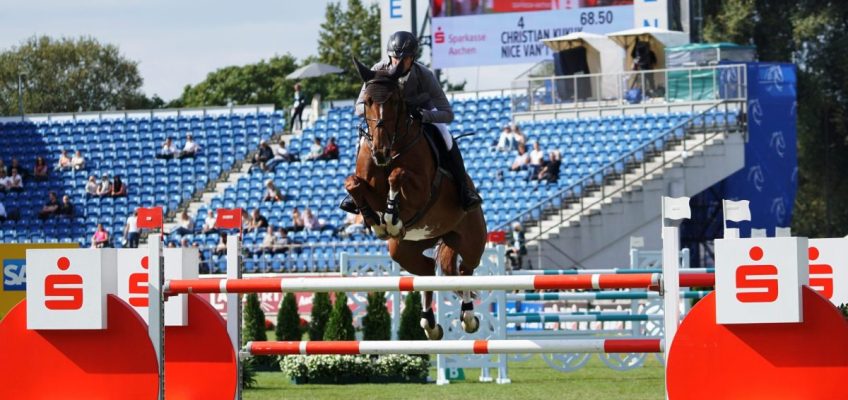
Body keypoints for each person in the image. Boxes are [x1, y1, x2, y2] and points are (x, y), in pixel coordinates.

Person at [340, 31, 481, 213]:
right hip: (387, 118)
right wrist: (374, 111)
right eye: (394, 57)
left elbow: (447, 113)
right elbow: (359, 107)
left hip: (421, 111)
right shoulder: (377, 71)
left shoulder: (424, 75)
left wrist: (425, 115)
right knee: (362, 141)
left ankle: (464, 189)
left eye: (404, 58)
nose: (398, 62)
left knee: (446, 136)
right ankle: (355, 195)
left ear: (412, 58)